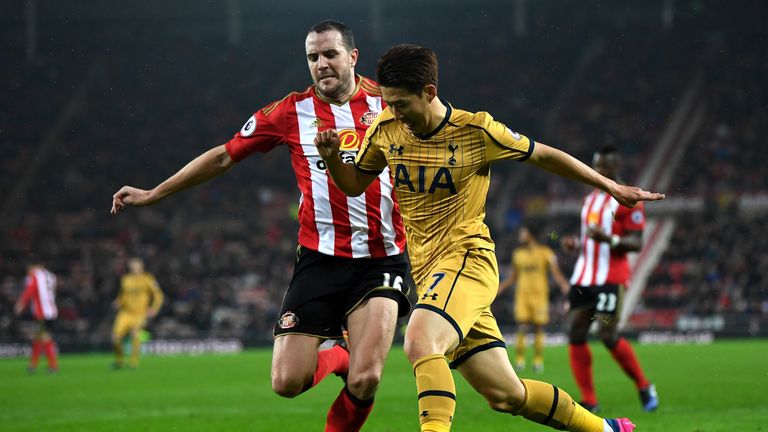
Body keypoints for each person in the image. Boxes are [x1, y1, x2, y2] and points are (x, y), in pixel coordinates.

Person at [315, 43, 665, 432]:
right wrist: (332, 158)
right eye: (389, 102)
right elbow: (354, 184)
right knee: (506, 395)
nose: (394, 112)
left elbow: (544, 155)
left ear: (428, 92)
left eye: (402, 104)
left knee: (419, 340)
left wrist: (609, 185)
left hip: (469, 260)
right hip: (431, 275)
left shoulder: (475, 130)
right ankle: (607, 429)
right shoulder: (385, 129)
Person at [110, 20, 410, 431]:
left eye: (330, 54)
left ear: (353, 57)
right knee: (287, 383)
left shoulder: (390, 102)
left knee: (367, 376)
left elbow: (437, 134)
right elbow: (223, 156)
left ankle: (349, 368)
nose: (321, 64)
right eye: (312, 57)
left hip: (381, 259)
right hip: (319, 259)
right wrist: (154, 193)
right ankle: (338, 353)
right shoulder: (290, 111)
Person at [560, 145, 659, 413]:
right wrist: (576, 243)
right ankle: (590, 401)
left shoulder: (630, 199)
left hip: (610, 277)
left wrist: (610, 239)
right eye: (595, 165)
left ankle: (643, 385)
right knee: (575, 331)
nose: (598, 171)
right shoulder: (590, 199)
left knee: (606, 333)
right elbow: (591, 239)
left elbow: (636, 243)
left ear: (616, 167)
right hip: (583, 276)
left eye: (603, 167)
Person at [498, 225, 570, 373]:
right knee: (522, 327)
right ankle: (520, 360)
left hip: (540, 296)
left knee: (539, 327)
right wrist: (501, 287)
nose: (520, 235)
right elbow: (514, 276)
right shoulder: (518, 254)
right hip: (523, 295)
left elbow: (555, 272)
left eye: (523, 232)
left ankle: (538, 361)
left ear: (531, 235)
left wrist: (564, 285)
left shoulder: (546, 253)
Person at [112, 257, 164, 369]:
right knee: (115, 338)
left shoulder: (148, 279)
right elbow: (123, 295)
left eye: (137, 267)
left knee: (135, 334)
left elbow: (158, 295)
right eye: (133, 267)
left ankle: (134, 363)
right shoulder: (125, 279)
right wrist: (118, 302)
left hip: (140, 313)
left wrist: (154, 308)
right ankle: (119, 360)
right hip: (125, 313)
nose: (135, 269)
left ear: (142, 267)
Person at [14, 261, 59, 374]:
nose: (29, 271)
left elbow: (30, 290)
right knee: (38, 338)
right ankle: (33, 366)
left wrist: (21, 303)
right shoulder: (51, 275)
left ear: (35, 266)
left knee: (45, 338)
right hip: (51, 311)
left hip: (41, 312)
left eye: (30, 268)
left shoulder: (36, 276)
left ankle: (53, 366)